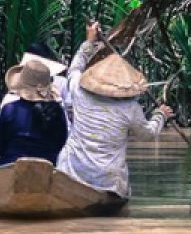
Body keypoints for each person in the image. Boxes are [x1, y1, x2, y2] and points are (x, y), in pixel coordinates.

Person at [57, 21, 174, 198]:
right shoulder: (130, 108)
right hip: (108, 181)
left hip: (72, 172)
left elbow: (75, 67)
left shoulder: (79, 92)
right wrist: (160, 115)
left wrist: (89, 41)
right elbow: (147, 134)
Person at [0, 60, 69, 167]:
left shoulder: (9, 109)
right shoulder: (57, 111)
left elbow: (0, 148)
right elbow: (61, 144)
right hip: (46, 171)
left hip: (10, 168)